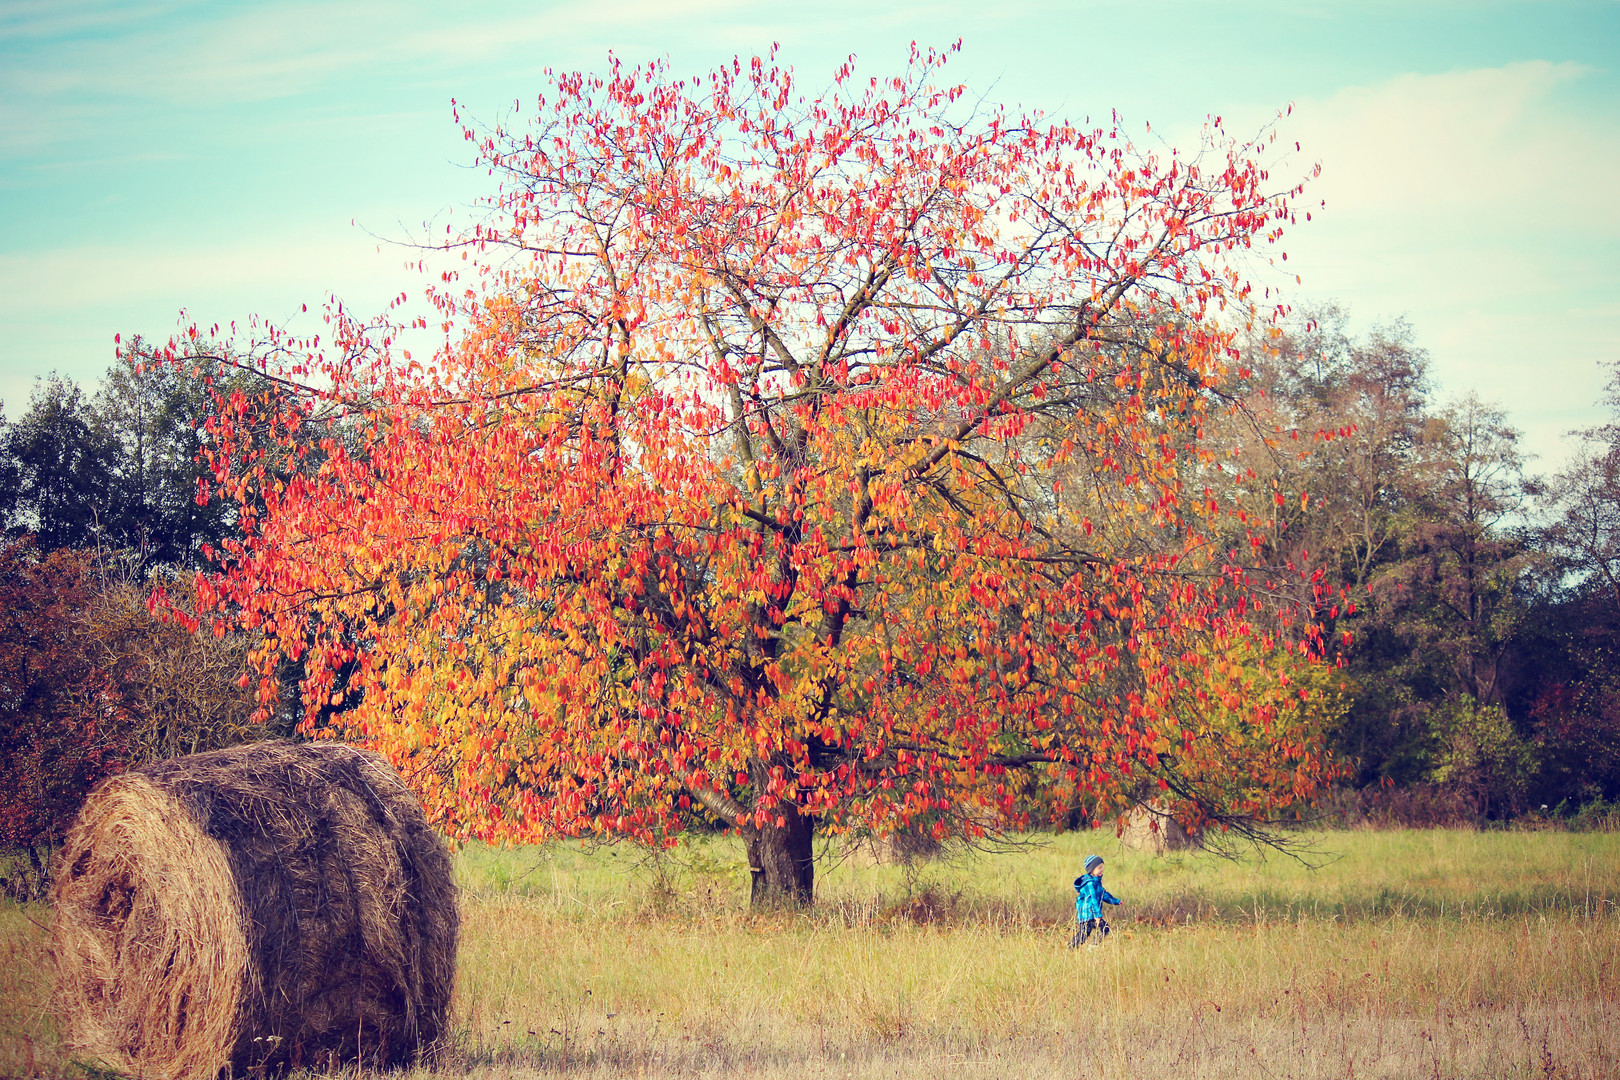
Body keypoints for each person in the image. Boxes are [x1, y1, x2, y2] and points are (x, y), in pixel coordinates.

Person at [1068, 854, 1121, 947]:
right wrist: (1097, 915)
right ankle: (1089, 946)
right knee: (1097, 930)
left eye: (1102, 867)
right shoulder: (1090, 884)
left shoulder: (1096, 883)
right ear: (1092, 870)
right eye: (1099, 868)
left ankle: (1079, 947)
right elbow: (1093, 900)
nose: (1102, 869)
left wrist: (1116, 901)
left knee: (1086, 934)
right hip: (1088, 914)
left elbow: (1103, 895)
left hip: (1091, 914)